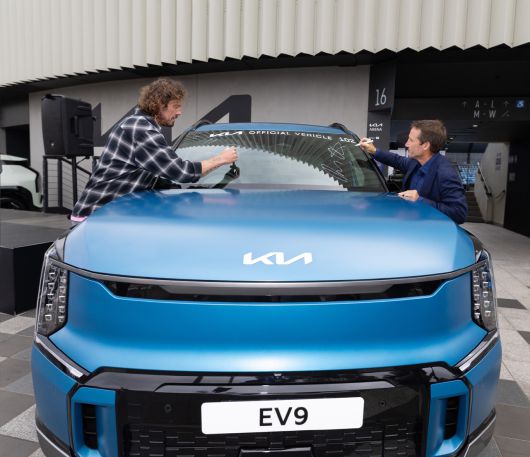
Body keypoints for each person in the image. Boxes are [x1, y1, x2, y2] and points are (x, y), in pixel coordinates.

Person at [70, 78, 237, 223]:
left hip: (114, 215)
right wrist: (221, 159)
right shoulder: (140, 128)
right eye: (175, 106)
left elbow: (165, 180)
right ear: (159, 105)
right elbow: (180, 171)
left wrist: (207, 195)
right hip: (96, 216)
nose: (179, 112)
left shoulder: (143, 126)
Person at [358, 120, 467, 224]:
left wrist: (420, 200)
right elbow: (396, 160)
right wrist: (374, 150)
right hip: (408, 224)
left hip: (428, 231)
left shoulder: (446, 173)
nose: (406, 144)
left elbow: (459, 213)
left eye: (411, 140)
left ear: (425, 145)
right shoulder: (415, 162)